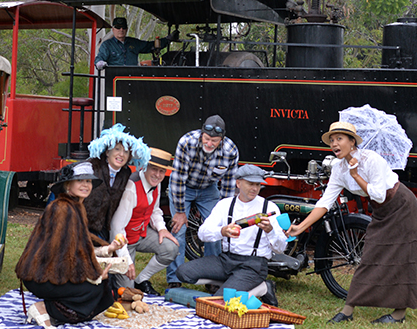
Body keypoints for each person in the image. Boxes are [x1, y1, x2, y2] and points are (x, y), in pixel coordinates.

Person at [287, 121, 417, 324]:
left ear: (352, 142)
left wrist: (356, 175)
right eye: (331, 140)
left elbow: (377, 193)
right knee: (369, 256)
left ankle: (398, 314)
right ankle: (347, 311)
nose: (334, 144)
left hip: (402, 205)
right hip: (382, 210)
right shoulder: (340, 169)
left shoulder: (372, 160)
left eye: (339, 139)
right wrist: (301, 226)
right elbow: (325, 202)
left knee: (404, 257)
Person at [15, 162, 127, 328]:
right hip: (41, 275)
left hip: (52, 271)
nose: (85, 185)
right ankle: (45, 308)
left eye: (88, 181)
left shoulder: (75, 207)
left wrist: (107, 249)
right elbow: (62, 254)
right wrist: (93, 276)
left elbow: (79, 245)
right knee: (93, 289)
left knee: (100, 289)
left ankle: (54, 309)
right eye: (80, 181)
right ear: (68, 185)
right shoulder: (62, 209)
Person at [175, 164, 285, 306]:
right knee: (183, 272)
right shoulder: (225, 205)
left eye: (258, 184)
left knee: (220, 303)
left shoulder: (269, 207)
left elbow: (281, 247)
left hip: (253, 265)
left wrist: (270, 230)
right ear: (238, 183)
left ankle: (263, 288)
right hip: (226, 260)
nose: (255, 189)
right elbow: (202, 233)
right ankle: (232, 283)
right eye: (250, 184)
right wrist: (222, 231)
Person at [166, 114, 239, 288]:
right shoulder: (186, 142)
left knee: (215, 232)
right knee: (179, 231)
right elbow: (178, 179)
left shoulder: (231, 151)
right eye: (207, 139)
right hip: (184, 187)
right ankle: (175, 279)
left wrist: (224, 215)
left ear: (221, 140)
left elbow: (228, 188)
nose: (209, 143)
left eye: (214, 140)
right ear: (201, 135)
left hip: (208, 189)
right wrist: (180, 212)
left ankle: (212, 279)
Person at [109, 147, 180, 297]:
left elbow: (154, 210)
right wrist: (126, 260)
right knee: (126, 294)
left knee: (171, 248)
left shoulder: (157, 182)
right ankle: (115, 275)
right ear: (144, 166)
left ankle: (142, 280)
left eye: (162, 171)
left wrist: (161, 228)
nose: (158, 175)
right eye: (154, 169)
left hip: (141, 234)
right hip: (123, 241)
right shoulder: (131, 187)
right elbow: (116, 227)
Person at [83, 123, 151, 243]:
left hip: (104, 230)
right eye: (117, 149)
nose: (121, 154)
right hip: (82, 226)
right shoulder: (92, 166)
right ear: (107, 152)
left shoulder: (125, 173)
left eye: (125, 152)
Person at [94, 17, 172, 69]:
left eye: (123, 27)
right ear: (113, 29)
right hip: (115, 79)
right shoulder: (107, 45)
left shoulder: (134, 43)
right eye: (118, 27)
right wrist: (100, 63)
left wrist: (168, 39)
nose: (121, 30)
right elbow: (99, 58)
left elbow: (150, 46)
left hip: (133, 78)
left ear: (127, 29)